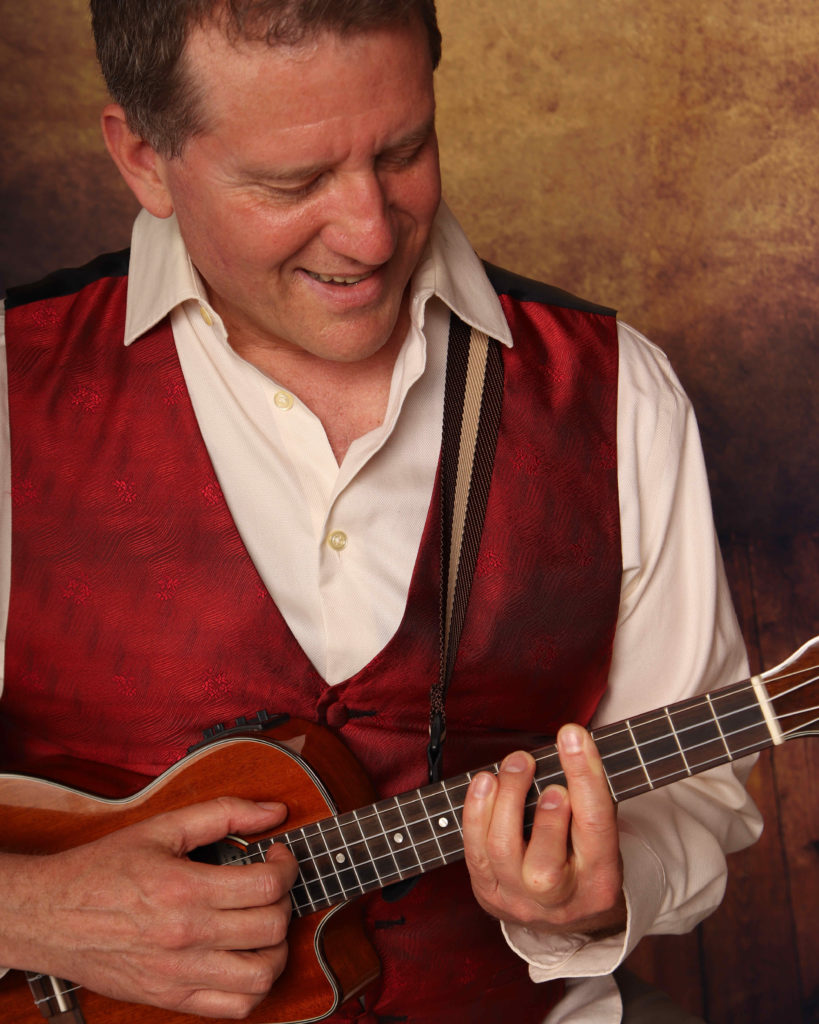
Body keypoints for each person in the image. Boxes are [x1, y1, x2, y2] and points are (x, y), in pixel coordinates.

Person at [0, 1, 762, 1022]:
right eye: (294, 182)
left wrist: (595, 898)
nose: (368, 232)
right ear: (143, 157)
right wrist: (28, 907)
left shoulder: (621, 396)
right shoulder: (14, 390)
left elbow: (696, 795)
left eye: (405, 150)